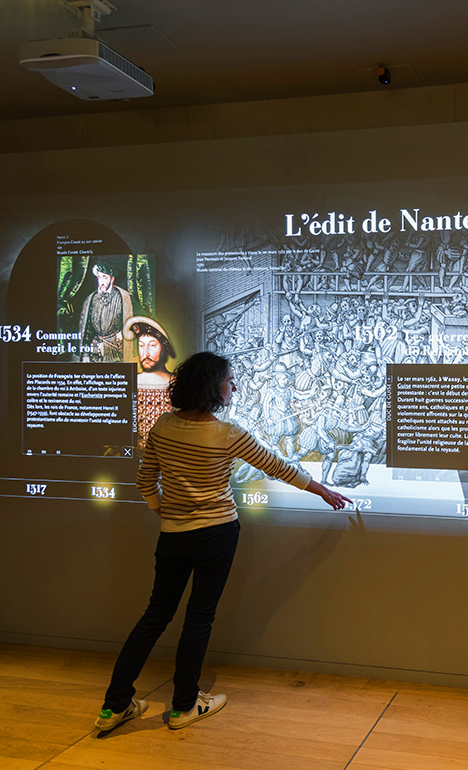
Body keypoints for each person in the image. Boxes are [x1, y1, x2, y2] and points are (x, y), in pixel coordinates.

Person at [95, 351, 350, 733]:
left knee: (154, 616)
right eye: (230, 380)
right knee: (199, 618)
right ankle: (183, 707)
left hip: (174, 536)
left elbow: (145, 482)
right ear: (213, 387)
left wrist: (164, 511)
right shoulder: (227, 434)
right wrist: (322, 491)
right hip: (217, 534)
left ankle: (113, 706)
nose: (234, 386)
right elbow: (278, 467)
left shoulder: (162, 427)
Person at [124, 316, 175, 453]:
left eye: (152, 345)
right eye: (141, 345)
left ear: (163, 349)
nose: (145, 353)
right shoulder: (130, 383)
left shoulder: (176, 383)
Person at [78, 255, 134, 362]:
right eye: (99, 277)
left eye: (105, 277)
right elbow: (87, 329)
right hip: (95, 351)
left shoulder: (123, 298)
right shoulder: (91, 299)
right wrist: (85, 355)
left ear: (112, 279)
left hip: (115, 351)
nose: (102, 282)